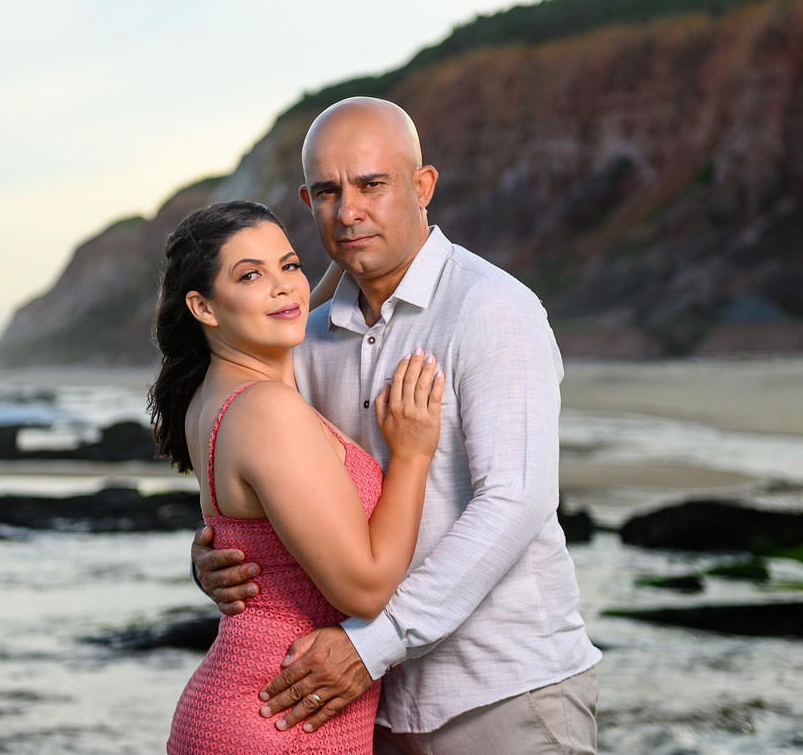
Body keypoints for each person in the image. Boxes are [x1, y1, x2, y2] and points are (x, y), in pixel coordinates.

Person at [192, 97, 601, 755]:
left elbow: (517, 500)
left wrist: (371, 646)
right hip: (363, 710)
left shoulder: (491, 309)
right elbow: (272, 474)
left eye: (371, 184)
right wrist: (226, 556)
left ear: (422, 186)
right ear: (308, 200)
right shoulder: (308, 338)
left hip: (501, 694)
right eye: (328, 191)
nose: (349, 211)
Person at [150, 200, 445, 754]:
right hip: (277, 719)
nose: (284, 287)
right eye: (251, 275)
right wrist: (411, 455)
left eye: (289, 265)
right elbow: (365, 588)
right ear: (203, 307)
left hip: (255, 707)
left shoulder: (212, 397)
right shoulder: (267, 410)